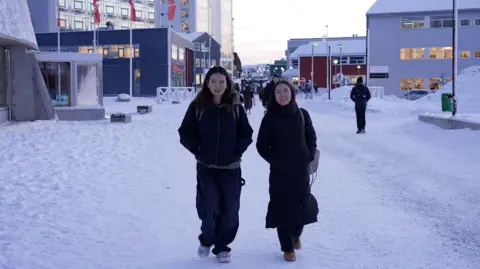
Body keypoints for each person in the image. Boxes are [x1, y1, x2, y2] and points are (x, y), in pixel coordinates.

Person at [178, 66, 254, 263]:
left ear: (228, 83)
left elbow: (246, 133)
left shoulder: (236, 106)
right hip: (207, 168)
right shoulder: (198, 106)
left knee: (230, 211)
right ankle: (207, 239)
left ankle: (222, 246)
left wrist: (237, 150)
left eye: (222, 82)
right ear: (207, 83)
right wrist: (199, 149)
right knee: (209, 206)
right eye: (214, 81)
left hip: (231, 169)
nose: (218, 86)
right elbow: (185, 132)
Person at [256, 80, 319, 262]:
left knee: (301, 204)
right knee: (282, 206)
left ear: (292, 93)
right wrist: (275, 160)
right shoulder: (269, 118)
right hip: (279, 172)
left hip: (300, 170)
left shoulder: (302, 114)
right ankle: (287, 246)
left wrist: (309, 155)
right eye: (278, 92)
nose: (282, 95)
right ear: (274, 96)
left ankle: (296, 234)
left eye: (285, 91)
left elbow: (311, 136)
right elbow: (261, 145)